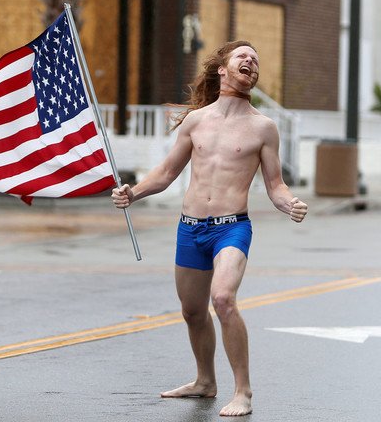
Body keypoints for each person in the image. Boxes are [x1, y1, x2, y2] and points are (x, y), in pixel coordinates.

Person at [111, 40, 308, 417]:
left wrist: (289, 204)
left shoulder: (263, 128)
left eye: (255, 58)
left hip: (231, 228)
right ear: (222, 69)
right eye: (242, 56)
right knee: (192, 311)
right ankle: (205, 381)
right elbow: (168, 172)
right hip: (190, 228)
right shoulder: (195, 121)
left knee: (223, 299)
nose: (250, 61)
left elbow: (275, 185)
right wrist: (132, 192)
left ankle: (243, 392)